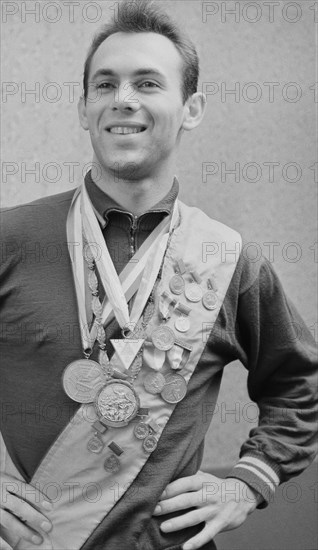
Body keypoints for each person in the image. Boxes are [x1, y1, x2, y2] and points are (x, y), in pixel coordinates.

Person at [0, 1, 317, 549]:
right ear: (83, 108)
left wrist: (249, 481)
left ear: (191, 108)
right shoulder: (9, 237)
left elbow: (300, 385)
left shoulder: (229, 257)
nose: (123, 99)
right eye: (105, 85)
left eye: (147, 83)